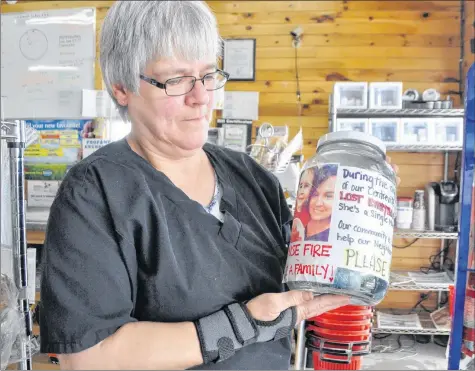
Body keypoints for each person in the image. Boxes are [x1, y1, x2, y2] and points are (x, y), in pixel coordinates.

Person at [39, 2, 399, 370]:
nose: (201, 97)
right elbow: (86, 357)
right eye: (176, 80)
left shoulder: (252, 177)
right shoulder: (95, 191)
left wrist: (353, 225)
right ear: (121, 89)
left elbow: (302, 281)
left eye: (209, 75)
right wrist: (243, 324)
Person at [306, 165, 338, 242]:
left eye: (328, 196)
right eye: (315, 194)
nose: (318, 203)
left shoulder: (337, 239)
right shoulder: (299, 228)